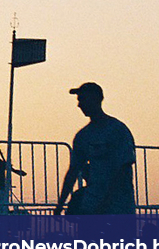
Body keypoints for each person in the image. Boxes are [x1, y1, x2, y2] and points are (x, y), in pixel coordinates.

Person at [55, 82, 136, 215]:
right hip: (93, 206)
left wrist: (105, 201)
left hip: (118, 208)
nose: (79, 105)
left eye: (82, 99)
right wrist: (60, 204)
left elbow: (123, 169)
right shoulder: (83, 136)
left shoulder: (117, 130)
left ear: (96, 99)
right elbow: (73, 171)